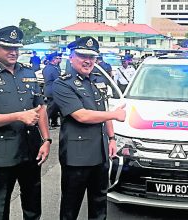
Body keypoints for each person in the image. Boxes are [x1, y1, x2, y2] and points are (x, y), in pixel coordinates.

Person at [0, 26, 50, 220]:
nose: (13, 52)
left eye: (16, 48)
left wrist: (46, 140)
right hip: (3, 152)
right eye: (7, 47)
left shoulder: (28, 73)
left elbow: (41, 109)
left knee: (32, 201)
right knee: (2, 202)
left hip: (31, 150)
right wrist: (18, 116)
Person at [52, 36, 126, 220]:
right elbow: (81, 115)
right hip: (77, 156)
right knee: (71, 206)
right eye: (82, 55)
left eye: (92, 57)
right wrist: (114, 115)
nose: (88, 61)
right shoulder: (62, 83)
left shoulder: (97, 80)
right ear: (71, 57)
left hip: (100, 153)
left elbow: (104, 108)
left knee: (99, 204)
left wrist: (111, 138)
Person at [43, 51, 62, 129]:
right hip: (52, 90)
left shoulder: (51, 67)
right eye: (58, 58)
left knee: (55, 107)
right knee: (51, 108)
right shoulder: (51, 68)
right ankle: (45, 124)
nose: (59, 60)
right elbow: (56, 79)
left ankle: (54, 122)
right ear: (54, 59)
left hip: (52, 89)